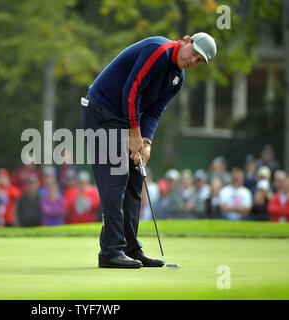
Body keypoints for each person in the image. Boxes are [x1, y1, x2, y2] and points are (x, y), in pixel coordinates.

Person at [81, 32, 216, 268]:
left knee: (135, 179)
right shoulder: (158, 50)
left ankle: (131, 249)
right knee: (117, 176)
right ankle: (111, 252)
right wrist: (134, 134)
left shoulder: (177, 79)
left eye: (198, 61)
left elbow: (154, 111)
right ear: (186, 40)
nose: (192, 61)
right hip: (101, 112)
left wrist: (146, 142)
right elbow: (131, 91)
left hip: (123, 118)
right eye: (194, 54)